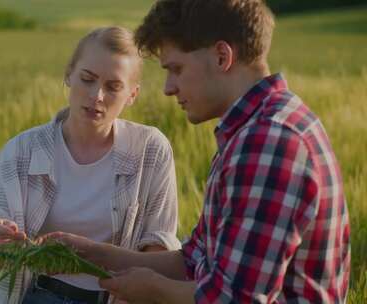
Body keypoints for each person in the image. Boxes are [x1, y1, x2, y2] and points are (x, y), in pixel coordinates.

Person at [46, 0, 351, 303]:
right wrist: (96, 253)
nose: (168, 87)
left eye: (176, 69)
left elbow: (235, 299)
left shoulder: (268, 140)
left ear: (221, 57)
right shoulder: (255, 128)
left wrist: (153, 290)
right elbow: (193, 260)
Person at [0, 26, 180, 304]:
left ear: (132, 94)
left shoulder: (150, 150)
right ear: (69, 74)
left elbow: (159, 246)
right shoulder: (21, 151)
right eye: (87, 79)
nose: (97, 96)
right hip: (34, 295)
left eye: (113, 86)